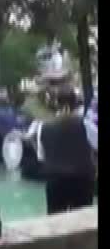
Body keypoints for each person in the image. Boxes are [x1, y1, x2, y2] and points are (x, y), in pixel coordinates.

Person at [39, 87, 97, 215]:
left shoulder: (44, 125)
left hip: (55, 180)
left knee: (55, 220)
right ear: (75, 103)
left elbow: (41, 156)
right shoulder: (85, 123)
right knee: (82, 219)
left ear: (56, 103)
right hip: (82, 179)